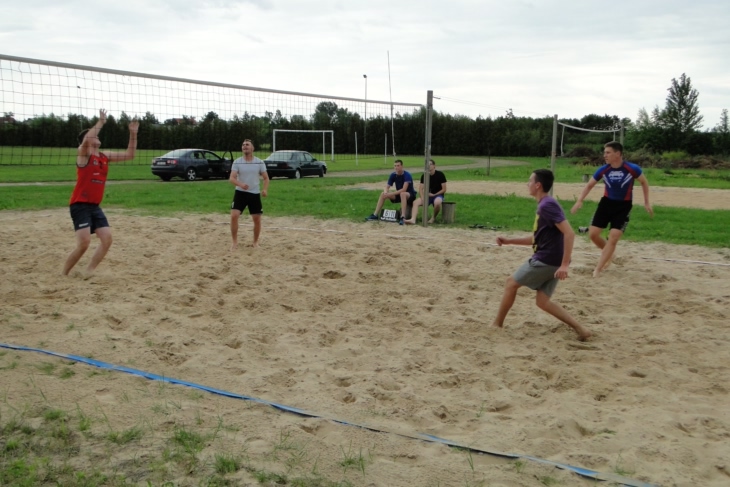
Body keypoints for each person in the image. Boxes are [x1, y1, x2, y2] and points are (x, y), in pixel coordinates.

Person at [492, 169, 592, 341]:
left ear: (538, 185)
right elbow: (536, 239)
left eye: (530, 181)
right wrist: (509, 240)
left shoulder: (547, 205)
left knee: (510, 283)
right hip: (552, 259)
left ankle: (497, 324)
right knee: (542, 302)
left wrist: (565, 264)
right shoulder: (545, 205)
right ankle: (581, 329)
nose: (527, 184)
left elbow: (569, 233)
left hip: (547, 260)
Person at [62, 109, 139, 276]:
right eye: (94, 135)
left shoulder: (104, 156)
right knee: (84, 243)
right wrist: (101, 121)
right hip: (80, 205)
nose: (97, 137)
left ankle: (88, 272)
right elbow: (88, 138)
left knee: (107, 239)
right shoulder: (83, 155)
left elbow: (130, 155)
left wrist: (133, 134)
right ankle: (64, 273)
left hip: (94, 206)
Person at [570, 141, 653, 277]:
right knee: (593, 234)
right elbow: (589, 185)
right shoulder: (604, 169)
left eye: (608, 152)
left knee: (613, 238)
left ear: (618, 153)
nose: (605, 155)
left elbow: (644, 182)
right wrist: (579, 200)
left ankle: (598, 269)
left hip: (623, 206)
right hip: (606, 204)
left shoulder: (632, 168)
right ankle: (609, 253)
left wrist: (646, 202)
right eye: (604, 152)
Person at [229, 139, 269, 250]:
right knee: (234, 216)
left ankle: (255, 242)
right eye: (243, 145)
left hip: (254, 193)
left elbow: (266, 178)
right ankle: (234, 243)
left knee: (257, 219)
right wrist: (240, 184)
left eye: (247, 144)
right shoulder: (237, 162)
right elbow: (231, 178)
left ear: (252, 148)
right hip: (240, 193)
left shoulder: (259, 162)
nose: (244, 146)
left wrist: (265, 189)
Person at [365, 159, 416, 224]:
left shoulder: (407, 175)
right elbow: (387, 186)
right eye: (395, 166)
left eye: (398, 165)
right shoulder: (393, 175)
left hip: (410, 195)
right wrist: (386, 192)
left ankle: (403, 216)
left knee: (403, 194)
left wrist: (391, 193)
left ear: (402, 166)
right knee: (383, 194)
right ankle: (375, 214)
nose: (396, 167)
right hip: (399, 194)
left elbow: (404, 189)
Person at [404, 159, 447, 224]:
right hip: (427, 195)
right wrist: (422, 197)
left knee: (437, 203)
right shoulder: (424, 175)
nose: (428, 166)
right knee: (415, 202)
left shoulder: (440, 175)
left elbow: (444, 189)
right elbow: (421, 189)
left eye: (430, 164)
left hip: (437, 195)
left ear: (434, 166)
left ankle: (433, 218)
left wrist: (434, 194)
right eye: (427, 165)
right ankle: (413, 219)